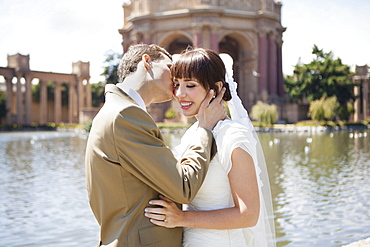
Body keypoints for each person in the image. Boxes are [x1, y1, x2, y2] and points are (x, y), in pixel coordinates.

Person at [85, 44, 226, 247]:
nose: (176, 82)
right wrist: (205, 128)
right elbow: (183, 186)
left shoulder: (118, 111)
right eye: (171, 69)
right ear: (147, 62)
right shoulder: (125, 116)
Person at [144, 48, 276, 246]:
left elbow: (248, 215)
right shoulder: (194, 133)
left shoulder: (233, 136)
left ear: (215, 87)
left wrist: (180, 218)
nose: (180, 94)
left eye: (190, 85)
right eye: (177, 84)